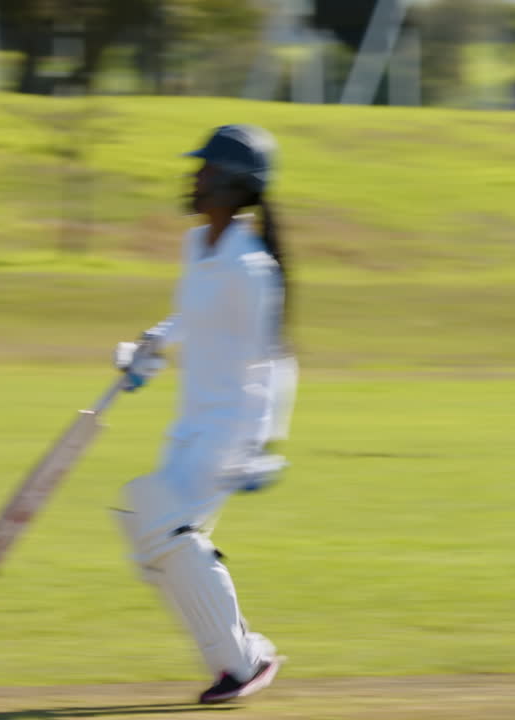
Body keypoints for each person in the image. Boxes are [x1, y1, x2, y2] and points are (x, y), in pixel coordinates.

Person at [111, 124, 296, 705]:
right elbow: (189, 314)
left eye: (206, 169)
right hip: (189, 423)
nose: (193, 176)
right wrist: (150, 347)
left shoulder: (253, 268)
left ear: (233, 183)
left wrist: (262, 444)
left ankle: (243, 663)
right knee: (146, 529)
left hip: (230, 429)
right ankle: (242, 656)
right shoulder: (198, 246)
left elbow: (275, 361)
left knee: (165, 527)